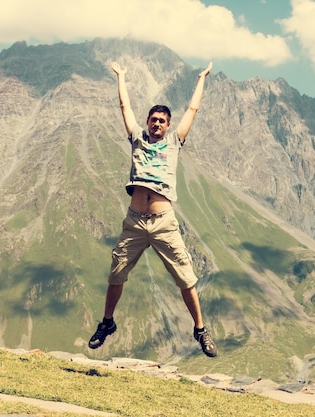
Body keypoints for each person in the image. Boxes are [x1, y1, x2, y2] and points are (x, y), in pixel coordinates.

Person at [88, 61, 217, 358]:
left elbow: (193, 110)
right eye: (153, 119)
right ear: (147, 122)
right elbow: (124, 106)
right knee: (116, 274)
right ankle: (107, 323)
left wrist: (201, 79)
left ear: (168, 125)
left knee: (186, 278)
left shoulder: (174, 142)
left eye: (161, 120)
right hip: (134, 222)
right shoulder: (137, 139)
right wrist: (121, 77)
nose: (156, 124)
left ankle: (200, 329)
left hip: (163, 223)